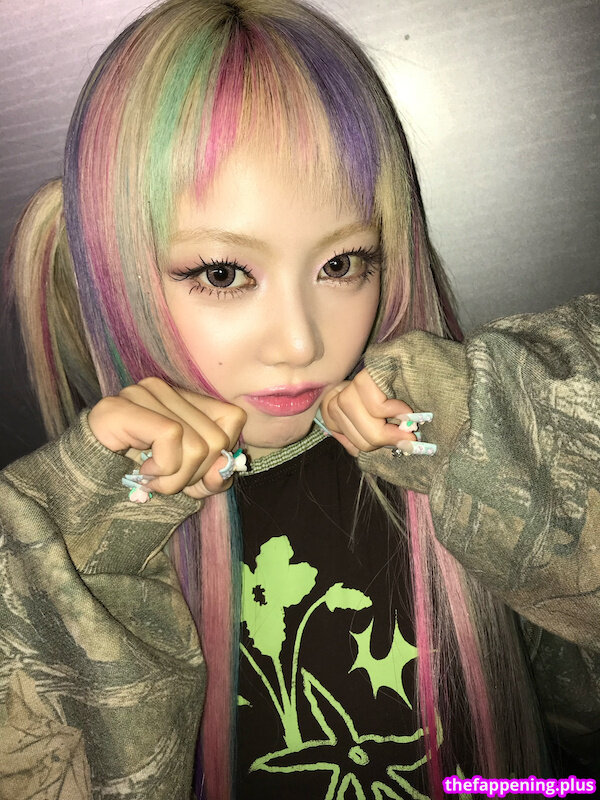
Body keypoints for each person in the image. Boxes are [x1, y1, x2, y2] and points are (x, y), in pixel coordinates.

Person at [0, 1, 597, 798]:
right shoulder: (77, 539)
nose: (300, 342)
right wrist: (72, 552)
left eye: (342, 264)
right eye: (223, 274)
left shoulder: (450, 449)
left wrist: (497, 437)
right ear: (115, 269)